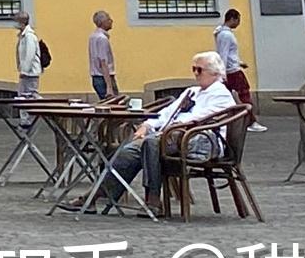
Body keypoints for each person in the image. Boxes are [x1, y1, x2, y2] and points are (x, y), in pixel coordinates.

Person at [74, 53, 238, 214]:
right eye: (193, 69)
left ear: (215, 72)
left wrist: (170, 127)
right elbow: (166, 113)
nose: (195, 73)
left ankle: (152, 199)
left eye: (199, 70)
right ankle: (94, 197)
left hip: (204, 141)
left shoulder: (220, 94)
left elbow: (200, 118)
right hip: (174, 137)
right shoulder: (192, 91)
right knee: (129, 150)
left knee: (150, 143)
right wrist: (147, 125)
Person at [213, 7, 257, 122]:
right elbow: (224, 54)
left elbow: (229, 54)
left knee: (226, 96)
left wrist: (239, 62)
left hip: (230, 68)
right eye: (238, 20)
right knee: (244, 93)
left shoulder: (221, 33)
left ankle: (230, 119)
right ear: (232, 19)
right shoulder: (226, 35)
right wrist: (223, 74)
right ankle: (250, 120)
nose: (238, 23)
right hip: (232, 71)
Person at [88, 11, 118, 99]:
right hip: (104, 78)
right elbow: (103, 62)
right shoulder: (102, 39)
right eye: (108, 19)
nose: (111, 21)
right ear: (102, 22)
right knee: (114, 106)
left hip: (96, 77)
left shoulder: (93, 36)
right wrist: (109, 86)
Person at [14, 13, 45, 98]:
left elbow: (29, 55)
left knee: (30, 95)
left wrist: (24, 71)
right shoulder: (23, 35)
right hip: (27, 73)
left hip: (30, 73)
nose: (15, 24)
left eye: (16, 22)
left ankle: (38, 108)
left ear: (22, 23)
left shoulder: (29, 36)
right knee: (24, 95)